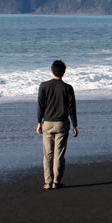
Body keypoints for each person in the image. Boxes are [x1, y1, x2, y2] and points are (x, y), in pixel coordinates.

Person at [36, 59, 78, 190]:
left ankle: (47, 182)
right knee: (58, 154)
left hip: (47, 123)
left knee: (48, 154)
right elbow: (72, 108)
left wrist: (38, 122)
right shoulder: (67, 88)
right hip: (62, 123)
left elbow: (40, 106)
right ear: (64, 72)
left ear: (52, 71)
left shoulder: (43, 86)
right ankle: (56, 181)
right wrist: (75, 125)